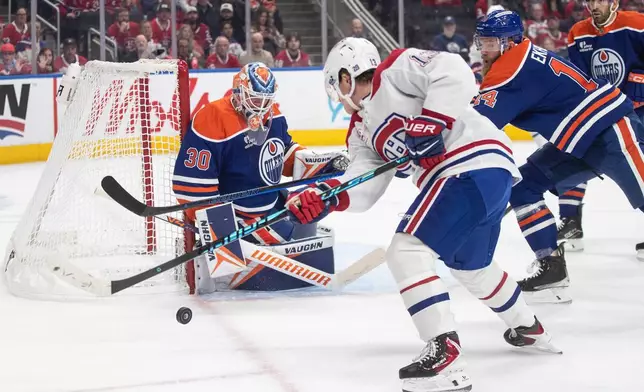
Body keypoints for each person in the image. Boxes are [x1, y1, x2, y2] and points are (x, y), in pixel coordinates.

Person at [286, 37, 559, 392]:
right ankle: (529, 326)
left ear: (345, 75)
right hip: (485, 177)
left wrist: (432, 122)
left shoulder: (397, 69)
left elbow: (455, 72)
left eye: (336, 84)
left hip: (469, 163)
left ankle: (445, 356)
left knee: (406, 251)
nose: (338, 94)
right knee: (471, 266)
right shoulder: (361, 130)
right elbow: (365, 185)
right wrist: (328, 196)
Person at [472, 10, 644, 304]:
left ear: (510, 43)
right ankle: (552, 267)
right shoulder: (519, 58)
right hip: (578, 139)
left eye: (491, 43)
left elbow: (476, 125)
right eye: (481, 42)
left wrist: (429, 143)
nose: (484, 50)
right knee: (523, 187)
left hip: (610, 130)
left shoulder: (511, 68)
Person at [172, 62, 345, 291]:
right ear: (239, 92)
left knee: (308, 212)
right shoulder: (212, 119)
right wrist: (221, 229)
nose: (261, 107)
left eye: (266, 99)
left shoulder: (274, 116)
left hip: (270, 206)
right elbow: (192, 186)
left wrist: (320, 163)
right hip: (237, 217)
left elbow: (282, 153)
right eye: (255, 99)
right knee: (292, 242)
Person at [557, 0, 644, 253]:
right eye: (589, 0)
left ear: (613, 2)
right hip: (603, 111)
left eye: (600, 0)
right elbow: (581, 78)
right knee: (573, 150)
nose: (593, 5)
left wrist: (639, 81)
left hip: (639, 108)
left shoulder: (637, 24)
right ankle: (571, 220)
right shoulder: (578, 32)